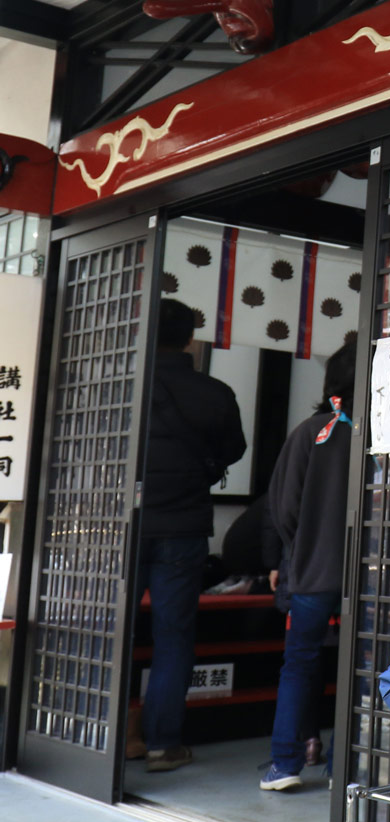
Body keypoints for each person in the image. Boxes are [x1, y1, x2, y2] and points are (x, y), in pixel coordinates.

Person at [139, 298, 248, 773]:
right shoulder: (215, 392)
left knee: (106, 630)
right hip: (183, 526)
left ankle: (92, 735)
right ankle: (163, 743)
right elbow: (235, 448)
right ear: (189, 338)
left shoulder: (126, 386)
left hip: (121, 525)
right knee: (173, 636)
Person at [259, 337, 359, 791]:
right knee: (359, 665)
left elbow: (282, 510)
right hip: (367, 575)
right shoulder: (374, 437)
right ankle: (344, 764)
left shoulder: (309, 433)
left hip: (311, 572)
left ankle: (285, 764)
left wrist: (298, 546)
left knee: (299, 664)